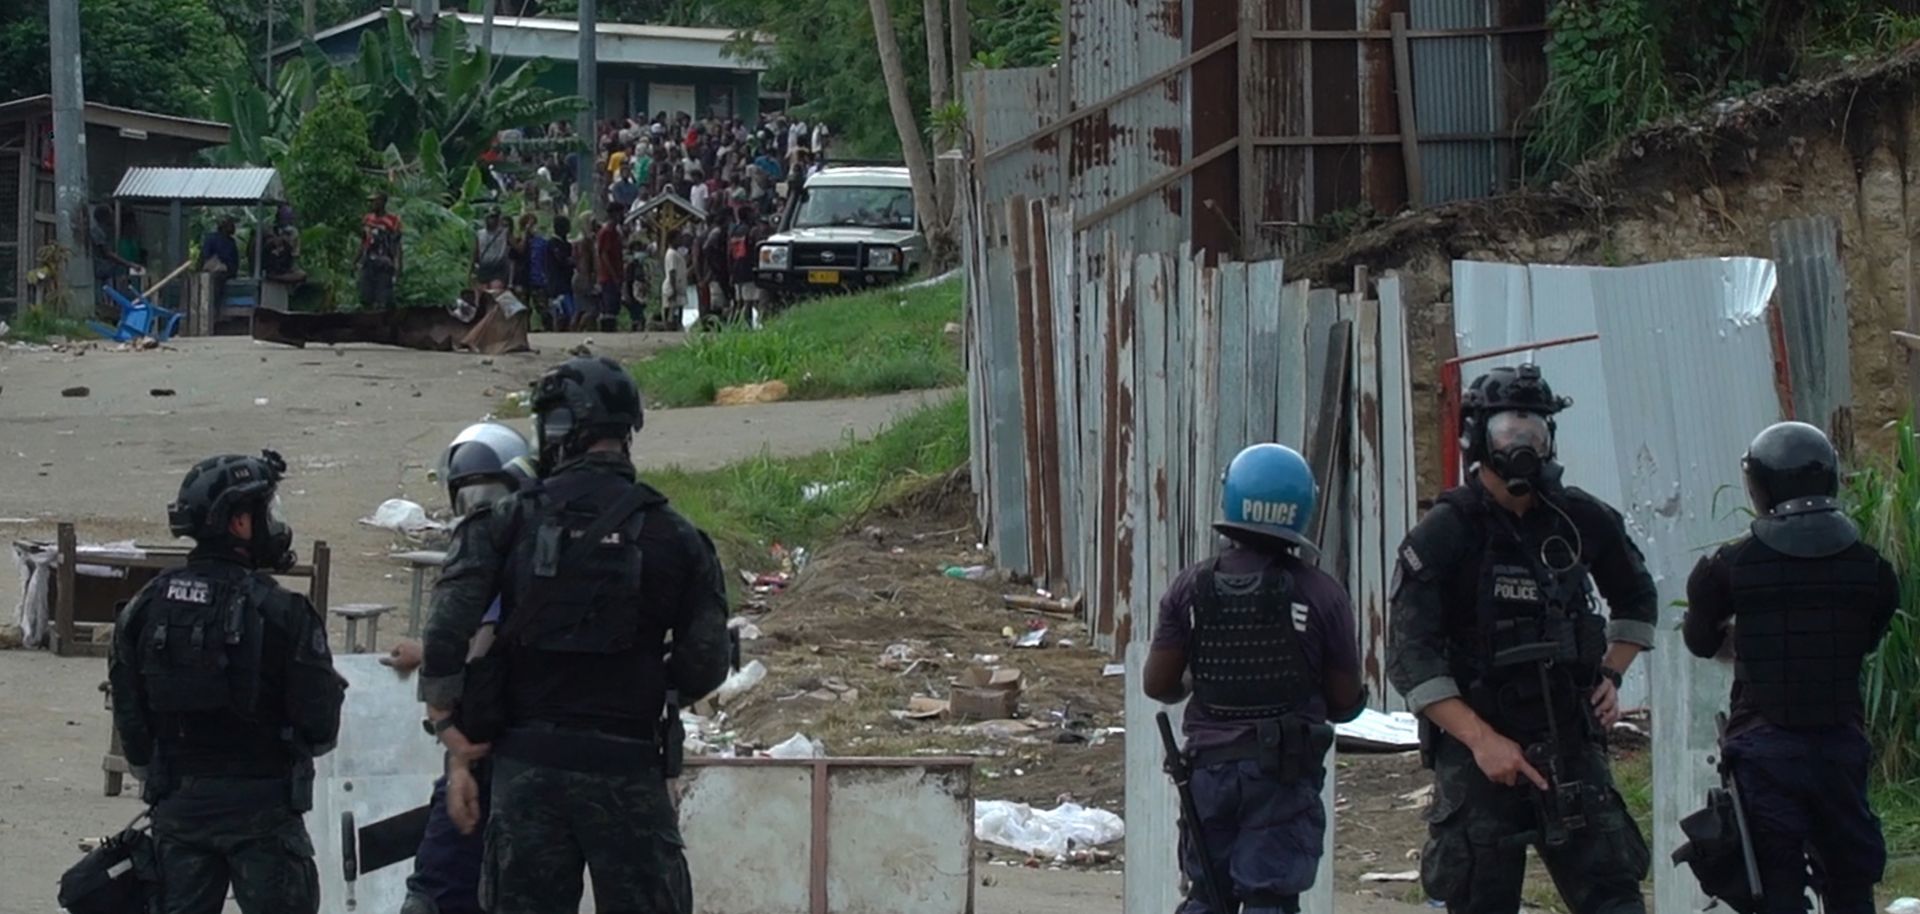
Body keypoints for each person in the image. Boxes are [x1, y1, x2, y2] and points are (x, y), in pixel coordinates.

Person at [417, 356, 731, 914]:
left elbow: (445, 632)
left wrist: (449, 730)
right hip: (629, 768)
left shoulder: (505, 521)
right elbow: (705, 664)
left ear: (557, 429)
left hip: (526, 770)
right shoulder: (677, 535)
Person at [1386, 363, 1656, 914]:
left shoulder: (1578, 518)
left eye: (1535, 430)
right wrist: (1483, 741)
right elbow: (1410, 656)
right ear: (1479, 438)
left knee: (1615, 894)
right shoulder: (1446, 532)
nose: (1523, 443)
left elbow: (1637, 599)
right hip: (1479, 753)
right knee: (1479, 896)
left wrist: (1611, 673)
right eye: (1510, 431)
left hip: (1570, 740)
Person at [109, 450, 345, 914]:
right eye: (265, 512)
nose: (274, 525)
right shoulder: (283, 612)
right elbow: (320, 727)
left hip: (178, 811)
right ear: (239, 522)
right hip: (264, 816)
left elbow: (130, 722)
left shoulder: (146, 604)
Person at [1681, 421, 1899, 914]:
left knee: (1775, 886)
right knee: (1850, 882)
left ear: (1758, 485)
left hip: (1765, 749)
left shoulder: (1729, 565)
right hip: (1840, 744)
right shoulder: (1873, 567)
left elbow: (1699, 641)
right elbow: (1866, 637)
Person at [1144, 443, 1367, 914]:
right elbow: (1346, 702)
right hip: (1283, 779)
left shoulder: (1190, 586)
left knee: (1207, 896)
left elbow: (1158, 685)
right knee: (1270, 899)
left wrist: (1195, 679)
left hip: (1208, 774)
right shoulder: (1323, 593)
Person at [384, 423, 539, 914]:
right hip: (553, 754)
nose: (479, 507)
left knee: (438, 891)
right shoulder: (549, 550)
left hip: (488, 749)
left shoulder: (498, 556)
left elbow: (480, 652)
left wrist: (455, 751)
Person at [357, 192, 404, 311]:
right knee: (366, 296)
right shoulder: (367, 219)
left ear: (382, 202)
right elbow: (363, 242)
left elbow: (397, 245)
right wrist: (356, 260)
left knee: (383, 298)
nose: (372, 204)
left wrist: (398, 265)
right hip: (368, 261)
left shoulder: (393, 221)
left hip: (384, 263)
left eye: (375, 201)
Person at [198, 217, 242, 310]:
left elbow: (234, 262)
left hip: (226, 271)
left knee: (217, 281)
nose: (233, 228)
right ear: (223, 227)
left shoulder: (231, 242)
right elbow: (205, 256)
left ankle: (215, 308)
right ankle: (212, 308)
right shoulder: (212, 238)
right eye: (230, 225)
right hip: (213, 268)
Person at [544, 216, 576, 332]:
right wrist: (572, 261)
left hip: (567, 282)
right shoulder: (553, 244)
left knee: (568, 313)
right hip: (557, 284)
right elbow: (562, 260)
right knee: (564, 312)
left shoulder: (567, 244)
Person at [596, 208, 625, 332]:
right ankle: (607, 330)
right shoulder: (606, 232)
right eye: (620, 213)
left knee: (615, 304)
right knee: (609, 304)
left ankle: (611, 328)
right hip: (608, 276)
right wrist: (614, 275)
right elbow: (604, 255)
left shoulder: (616, 232)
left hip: (616, 274)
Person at [263, 206, 307, 285]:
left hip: (284, 268)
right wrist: (277, 240)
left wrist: (289, 242)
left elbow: (294, 255)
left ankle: (277, 278)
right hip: (271, 267)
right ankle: (273, 276)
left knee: (301, 275)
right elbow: (266, 248)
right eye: (284, 218)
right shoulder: (270, 231)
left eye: (288, 219)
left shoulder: (293, 233)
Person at [475, 210, 511, 289]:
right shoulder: (479, 234)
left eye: (494, 218)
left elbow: (516, 247)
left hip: (499, 268)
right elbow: (476, 252)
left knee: (495, 292)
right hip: (484, 267)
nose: (492, 220)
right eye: (490, 217)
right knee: (484, 294)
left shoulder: (504, 232)